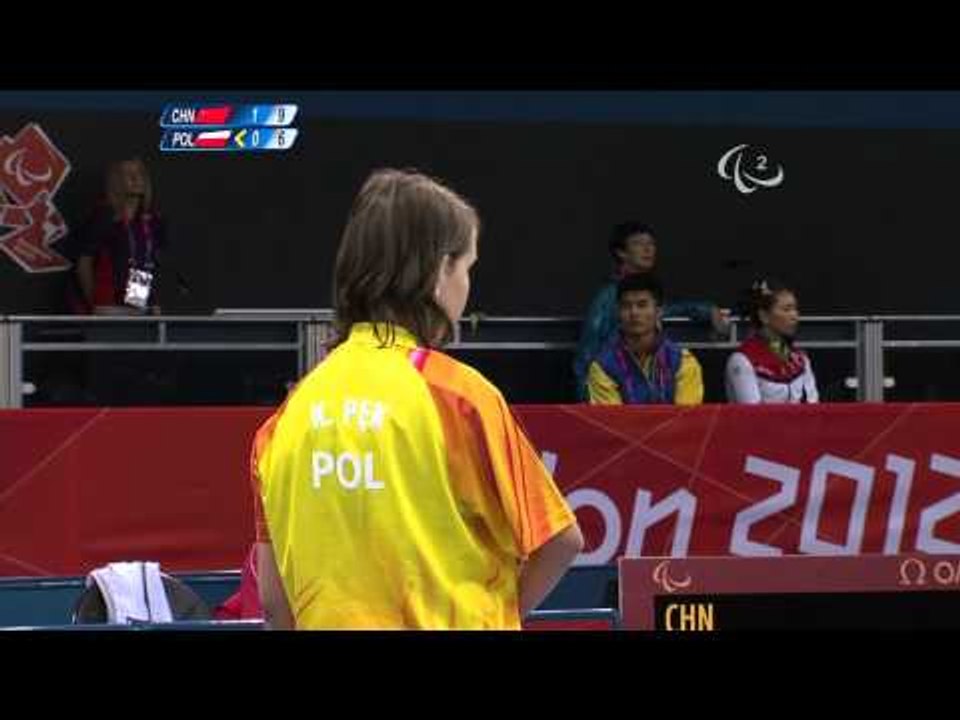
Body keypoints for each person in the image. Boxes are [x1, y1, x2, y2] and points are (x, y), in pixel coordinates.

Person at [251, 168, 583, 630]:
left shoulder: (286, 420)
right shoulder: (459, 397)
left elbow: (275, 603)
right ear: (436, 274)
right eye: (467, 267)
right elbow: (560, 541)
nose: (468, 286)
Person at [573, 221, 728, 401]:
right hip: (612, 390)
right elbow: (585, 359)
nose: (648, 249)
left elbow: (669, 309)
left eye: (651, 244)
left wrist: (706, 310)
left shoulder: (681, 361)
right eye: (638, 243)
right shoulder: (607, 298)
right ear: (621, 252)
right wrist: (586, 406)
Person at [587, 273, 703, 405]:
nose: (634, 312)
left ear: (658, 311)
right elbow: (613, 422)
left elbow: (685, 419)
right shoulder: (602, 367)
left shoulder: (684, 362)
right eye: (626, 306)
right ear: (618, 313)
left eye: (642, 305)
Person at [72, 157, 167, 315]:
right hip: (108, 304)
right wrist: (94, 301)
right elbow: (84, 262)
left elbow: (145, 263)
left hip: (138, 301)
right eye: (128, 174)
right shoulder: (104, 217)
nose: (136, 179)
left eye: (139, 174)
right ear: (116, 182)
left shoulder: (151, 221)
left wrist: (152, 301)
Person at [725, 278, 819, 404]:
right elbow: (752, 417)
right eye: (786, 309)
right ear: (764, 316)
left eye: (795, 309)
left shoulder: (800, 359)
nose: (794, 316)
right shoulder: (742, 360)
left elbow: (814, 408)